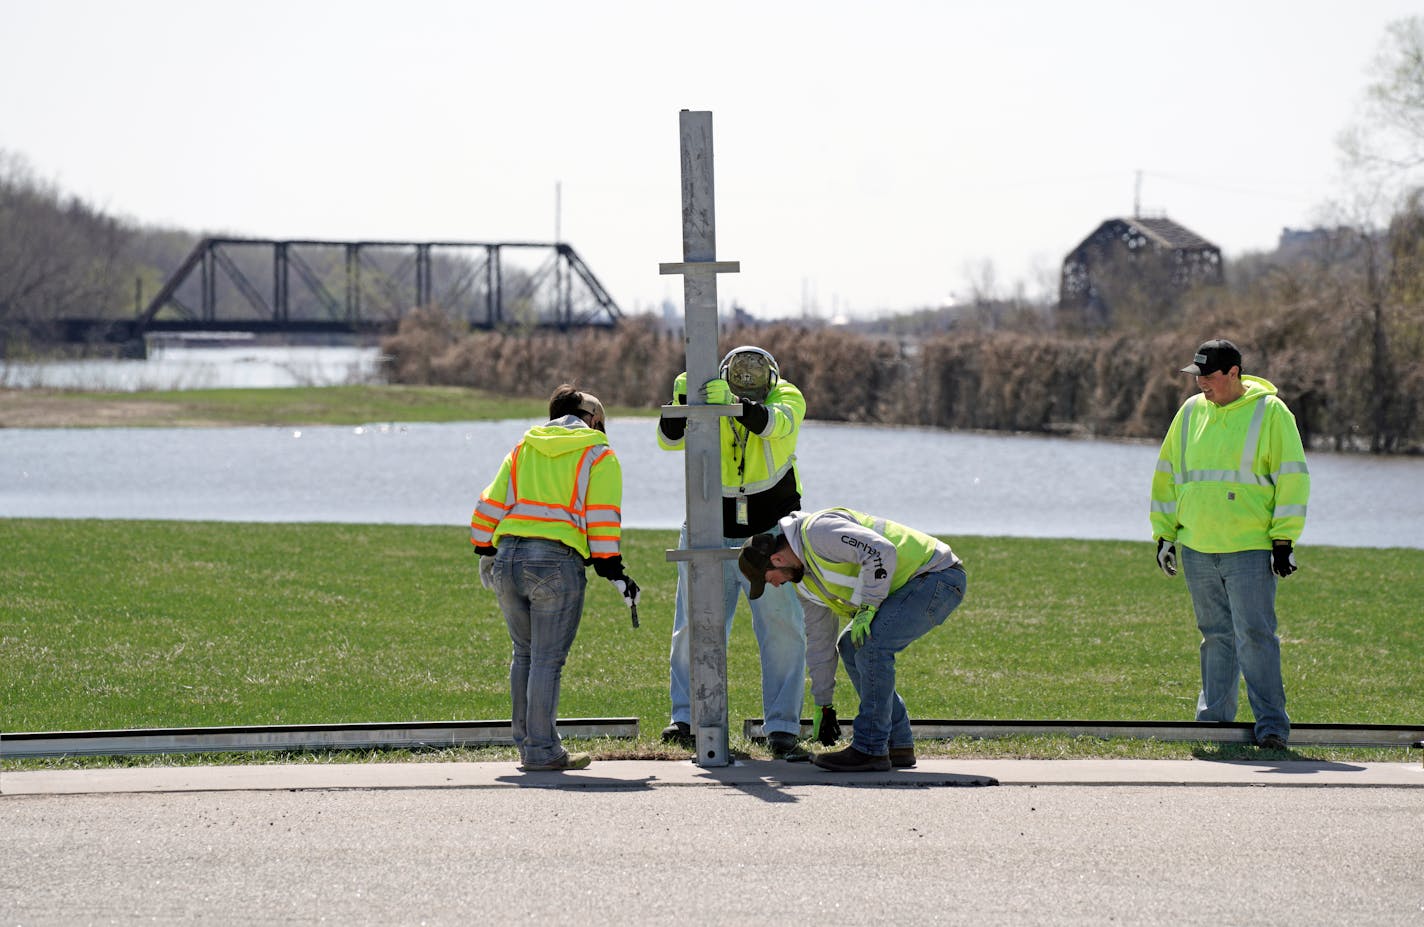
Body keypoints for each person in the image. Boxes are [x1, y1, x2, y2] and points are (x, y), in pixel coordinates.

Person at [657, 346, 824, 759]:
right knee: (693, 626)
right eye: (738, 376)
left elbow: (772, 424)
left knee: (783, 629)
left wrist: (733, 405)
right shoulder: (693, 384)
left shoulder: (789, 396)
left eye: (755, 378)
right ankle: (687, 718)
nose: (747, 382)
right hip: (707, 523)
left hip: (772, 530)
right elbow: (667, 439)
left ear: (771, 377)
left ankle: (782, 727)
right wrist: (687, 401)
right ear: (724, 371)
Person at [1150, 339, 1310, 751]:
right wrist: (1165, 533)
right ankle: (1214, 723)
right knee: (1215, 635)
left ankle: (1272, 727)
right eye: (1197, 375)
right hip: (1198, 547)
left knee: (1255, 635)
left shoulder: (1271, 413)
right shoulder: (1189, 413)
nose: (1201, 382)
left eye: (1209, 375)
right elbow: (1167, 475)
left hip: (1249, 548)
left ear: (1234, 373)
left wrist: (1284, 539)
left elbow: (1292, 477)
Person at [471, 384, 640, 772]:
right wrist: (613, 571)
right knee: (547, 660)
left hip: (508, 558)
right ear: (595, 420)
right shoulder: (599, 454)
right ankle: (542, 751)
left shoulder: (523, 447)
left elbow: (490, 503)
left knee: (524, 655)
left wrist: (484, 548)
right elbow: (601, 521)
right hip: (554, 563)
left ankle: (527, 745)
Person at [738, 507, 967, 772]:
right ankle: (897, 744)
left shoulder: (817, 532)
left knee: (872, 647)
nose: (775, 585)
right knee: (850, 645)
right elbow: (820, 640)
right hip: (917, 584)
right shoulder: (805, 582)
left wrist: (869, 606)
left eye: (769, 580)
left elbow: (881, 550)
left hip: (937, 576)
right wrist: (824, 703)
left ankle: (870, 749)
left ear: (777, 560)